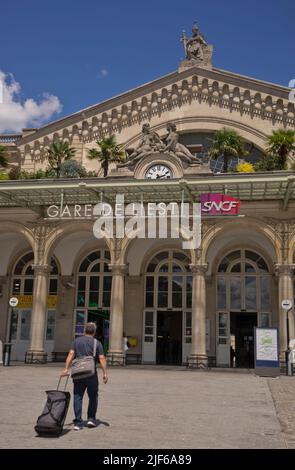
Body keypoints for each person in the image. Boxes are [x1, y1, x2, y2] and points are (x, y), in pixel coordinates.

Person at [61, 322, 108, 430]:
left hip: (78, 373)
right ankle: (91, 419)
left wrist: (66, 369)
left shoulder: (76, 341)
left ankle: (77, 422)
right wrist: (105, 373)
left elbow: (70, 355)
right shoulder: (97, 343)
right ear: (94, 332)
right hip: (91, 374)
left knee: (78, 396)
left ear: (84, 330)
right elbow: (101, 358)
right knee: (93, 396)